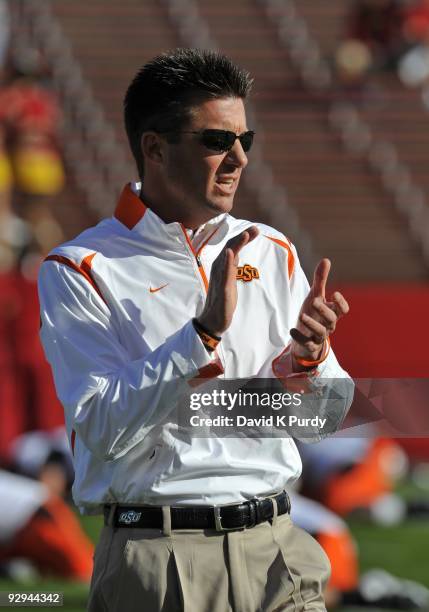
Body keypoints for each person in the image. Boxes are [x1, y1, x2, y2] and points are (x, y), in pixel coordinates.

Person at [38, 49, 354, 612]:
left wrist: (311, 363)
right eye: (216, 141)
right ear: (154, 148)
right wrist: (199, 338)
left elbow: (323, 424)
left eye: (244, 141)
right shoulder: (79, 267)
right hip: (159, 556)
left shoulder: (271, 248)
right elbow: (100, 429)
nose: (238, 159)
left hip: (279, 548)